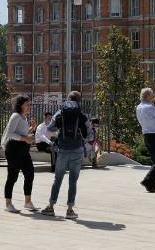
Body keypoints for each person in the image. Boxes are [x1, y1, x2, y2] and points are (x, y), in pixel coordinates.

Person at [41, 91, 91, 219]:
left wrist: (60, 132)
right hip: (77, 149)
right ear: (79, 101)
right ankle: (70, 210)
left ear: (68, 99)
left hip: (62, 149)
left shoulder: (60, 113)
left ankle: (51, 207)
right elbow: (90, 135)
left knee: (57, 179)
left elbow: (49, 129)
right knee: (73, 180)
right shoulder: (82, 115)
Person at [1, 94, 36, 213]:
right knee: (12, 176)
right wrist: (25, 139)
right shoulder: (15, 116)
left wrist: (31, 128)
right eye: (27, 104)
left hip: (23, 149)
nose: (29, 107)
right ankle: (8, 204)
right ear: (20, 105)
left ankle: (27, 202)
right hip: (13, 149)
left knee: (30, 173)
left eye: (29, 105)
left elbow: (22, 133)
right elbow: (10, 134)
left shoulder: (23, 117)